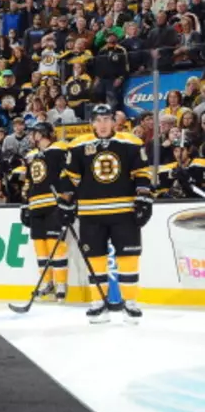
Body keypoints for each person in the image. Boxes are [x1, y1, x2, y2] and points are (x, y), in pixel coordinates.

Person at [59, 104, 153, 324]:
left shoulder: (131, 142)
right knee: (95, 258)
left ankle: (130, 303)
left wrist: (143, 200)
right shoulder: (78, 145)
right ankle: (98, 303)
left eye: (106, 119)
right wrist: (65, 204)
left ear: (114, 121)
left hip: (124, 212)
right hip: (91, 214)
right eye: (98, 120)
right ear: (92, 122)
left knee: (128, 257)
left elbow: (141, 174)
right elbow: (70, 178)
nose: (102, 124)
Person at [18, 122, 69, 302]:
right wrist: (25, 203)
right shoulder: (31, 155)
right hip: (35, 205)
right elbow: (28, 182)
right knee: (40, 247)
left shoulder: (60, 149)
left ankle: (61, 283)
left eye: (34, 133)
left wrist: (67, 199)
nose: (32, 137)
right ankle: (46, 283)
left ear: (42, 133)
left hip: (53, 204)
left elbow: (67, 175)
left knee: (56, 246)